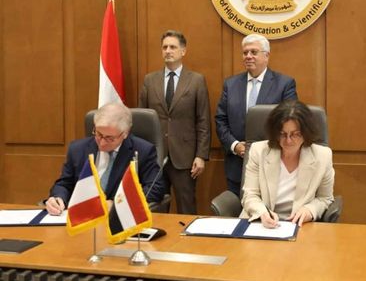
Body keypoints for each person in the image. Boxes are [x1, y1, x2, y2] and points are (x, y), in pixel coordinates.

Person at [45, 102, 165, 215]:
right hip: (83, 218)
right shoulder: (77, 149)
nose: (102, 143)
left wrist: (117, 204)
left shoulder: (143, 151)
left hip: (117, 219)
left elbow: (155, 189)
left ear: (125, 133)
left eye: (110, 138)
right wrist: (58, 198)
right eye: (98, 134)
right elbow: (65, 183)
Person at [215, 33, 298, 197]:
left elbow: (291, 121)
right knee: (237, 209)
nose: (248, 56)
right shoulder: (230, 85)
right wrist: (235, 145)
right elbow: (221, 120)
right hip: (237, 166)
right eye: (245, 52)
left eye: (253, 52)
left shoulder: (284, 84)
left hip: (272, 163)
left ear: (267, 55)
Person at [139, 30, 211, 214]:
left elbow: (203, 121)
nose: (168, 51)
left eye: (172, 47)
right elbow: (143, 120)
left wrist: (201, 156)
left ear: (183, 51)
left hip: (185, 157)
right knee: (154, 208)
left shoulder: (196, 80)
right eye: (164, 47)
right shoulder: (149, 80)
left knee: (187, 208)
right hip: (155, 157)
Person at [240, 100, 335, 228]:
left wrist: (310, 210)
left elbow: (325, 198)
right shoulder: (258, 151)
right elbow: (250, 194)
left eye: (296, 134)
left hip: (301, 225)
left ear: (306, 133)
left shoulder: (323, 156)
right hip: (260, 223)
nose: (288, 141)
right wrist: (262, 212)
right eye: (282, 134)